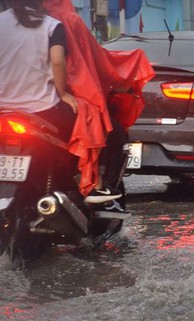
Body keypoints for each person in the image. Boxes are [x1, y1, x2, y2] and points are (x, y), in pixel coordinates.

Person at [41, 0, 154, 207]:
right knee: (111, 131)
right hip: (64, 98)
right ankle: (99, 184)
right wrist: (127, 69)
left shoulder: (16, 23)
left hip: (19, 103)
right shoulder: (65, 21)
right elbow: (94, 59)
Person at [0, 0, 78, 147]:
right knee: (91, 128)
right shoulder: (52, 25)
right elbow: (57, 60)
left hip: (3, 109)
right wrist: (63, 94)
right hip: (42, 109)